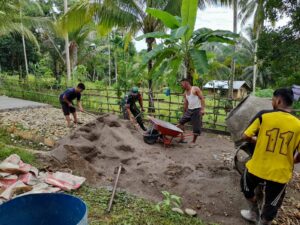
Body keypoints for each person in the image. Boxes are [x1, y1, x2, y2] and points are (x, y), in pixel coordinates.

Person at [240, 88, 300, 225]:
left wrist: (258, 140)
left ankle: (253, 212)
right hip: (280, 173)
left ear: (278, 100)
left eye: (273, 100)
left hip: (257, 167)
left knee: (246, 186)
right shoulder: (299, 124)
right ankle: (264, 222)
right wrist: (292, 162)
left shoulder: (263, 116)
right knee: (273, 203)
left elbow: (245, 136)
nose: (272, 103)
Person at [178, 78, 205, 144]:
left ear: (186, 83)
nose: (181, 86)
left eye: (182, 84)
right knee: (181, 122)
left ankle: (193, 142)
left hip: (197, 110)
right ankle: (182, 138)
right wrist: (184, 113)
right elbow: (186, 103)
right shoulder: (185, 93)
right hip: (189, 110)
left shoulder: (195, 89)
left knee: (196, 128)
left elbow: (202, 99)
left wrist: (202, 109)